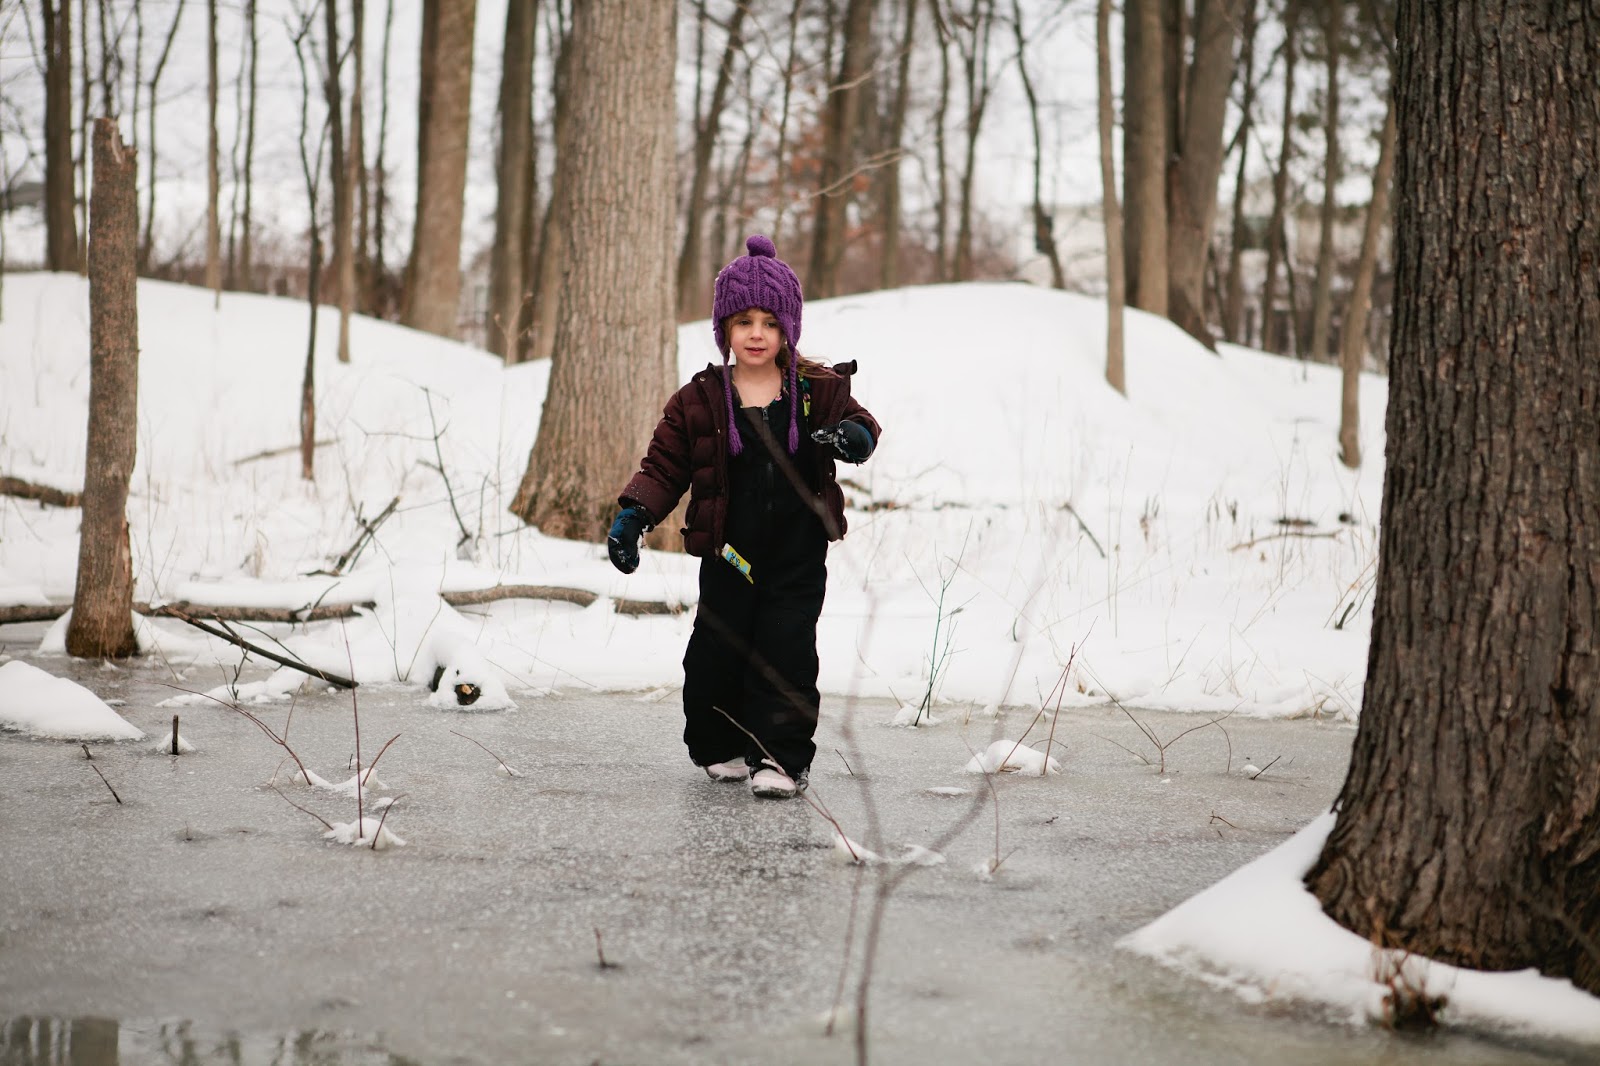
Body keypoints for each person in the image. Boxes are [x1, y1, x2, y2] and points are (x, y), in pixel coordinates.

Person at [607, 235, 881, 800]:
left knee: (787, 650)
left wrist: (851, 438)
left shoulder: (815, 391)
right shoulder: (699, 400)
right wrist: (634, 515)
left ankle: (779, 758)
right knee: (716, 652)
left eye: (770, 323)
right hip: (727, 553)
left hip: (797, 553)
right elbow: (664, 467)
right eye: (744, 322)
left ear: (788, 329)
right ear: (724, 328)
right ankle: (721, 744)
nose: (757, 334)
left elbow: (863, 426)